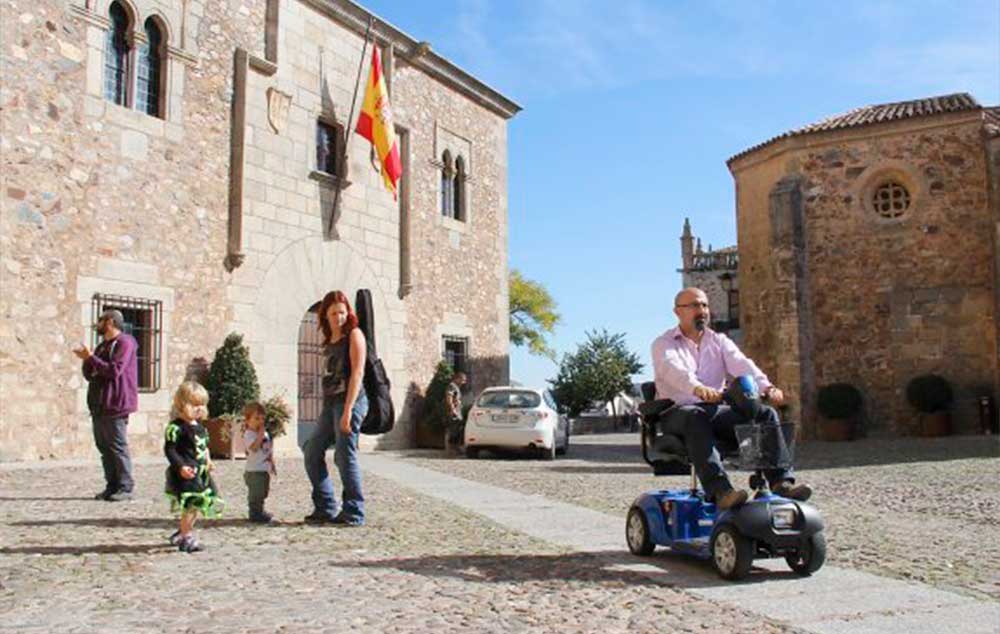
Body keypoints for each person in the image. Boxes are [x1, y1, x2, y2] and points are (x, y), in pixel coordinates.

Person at [651, 287, 812, 510]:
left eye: (705, 305)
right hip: (677, 412)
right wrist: (697, 388)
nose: (702, 311)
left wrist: (767, 387)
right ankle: (720, 492)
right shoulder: (664, 343)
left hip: (714, 409)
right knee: (695, 416)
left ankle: (780, 482)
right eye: (695, 305)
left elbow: (742, 365)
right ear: (678, 312)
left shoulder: (718, 341)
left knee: (765, 413)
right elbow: (673, 370)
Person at [303, 290, 369, 526]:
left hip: (351, 401)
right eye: (333, 313)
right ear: (326, 315)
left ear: (348, 312)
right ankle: (325, 506)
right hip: (331, 402)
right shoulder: (328, 339)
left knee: (344, 455)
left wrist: (348, 411)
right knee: (312, 451)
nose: (338, 317)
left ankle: (354, 511)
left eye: (342, 312)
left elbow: (358, 373)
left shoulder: (355, 335)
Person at [73, 309, 139, 502]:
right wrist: (87, 359)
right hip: (99, 404)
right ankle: (112, 485)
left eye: (101, 320)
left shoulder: (125, 343)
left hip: (116, 403)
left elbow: (115, 371)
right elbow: (90, 373)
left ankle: (125, 487)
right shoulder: (103, 346)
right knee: (104, 447)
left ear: (110, 322)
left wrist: (92, 359)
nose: (98, 323)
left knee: (117, 446)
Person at [164, 381, 223, 553]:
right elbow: (170, 449)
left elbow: (204, 447)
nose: (198, 408)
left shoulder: (201, 428)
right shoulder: (176, 428)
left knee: (197, 504)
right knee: (191, 504)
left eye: (202, 405)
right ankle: (186, 536)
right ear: (181, 404)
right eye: (194, 404)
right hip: (186, 474)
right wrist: (181, 466)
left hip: (200, 473)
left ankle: (183, 531)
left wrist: (208, 460)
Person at [243, 401, 277, 524]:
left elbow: (267, 449)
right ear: (247, 420)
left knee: (263, 491)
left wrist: (272, 462)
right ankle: (255, 513)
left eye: (262, 418)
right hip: (254, 471)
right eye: (256, 418)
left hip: (263, 468)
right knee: (256, 493)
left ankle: (260, 510)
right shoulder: (249, 434)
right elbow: (254, 448)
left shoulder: (265, 434)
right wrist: (260, 435)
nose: (260, 421)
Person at [445, 371, 467, 453]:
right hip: (454, 412)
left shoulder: (456, 387)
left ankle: (455, 448)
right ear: (458, 379)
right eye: (463, 380)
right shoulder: (452, 386)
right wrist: (453, 410)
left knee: (458, 430)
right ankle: (451, 449)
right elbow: (449, 398)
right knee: (453, 430)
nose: (464, 382)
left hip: (457, 411)